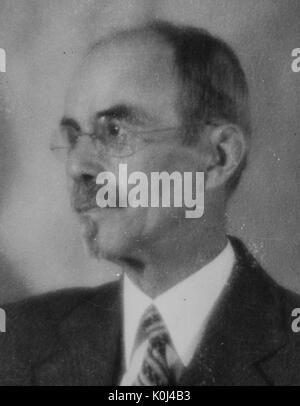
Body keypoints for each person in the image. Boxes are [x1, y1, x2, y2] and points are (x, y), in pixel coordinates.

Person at [0, 20, 299, 386]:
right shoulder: (14, 341)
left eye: (115, 132)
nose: (78, 166)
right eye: (74, 136)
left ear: (218, 157)